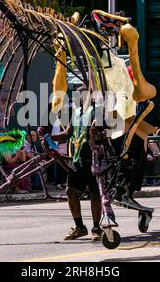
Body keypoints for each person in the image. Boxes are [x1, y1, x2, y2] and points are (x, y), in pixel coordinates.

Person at [49, 92, 102, 242]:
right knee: (70, 191)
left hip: (92, 159)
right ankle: (80, 227)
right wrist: (50, 137)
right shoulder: (76, 113)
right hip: (77, 158)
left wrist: (96, 131)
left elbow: (103, 131)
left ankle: (96, 228)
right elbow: (67, 133)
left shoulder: (95, 111)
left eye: (80, 96)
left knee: (94, 193)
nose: (75, 100)